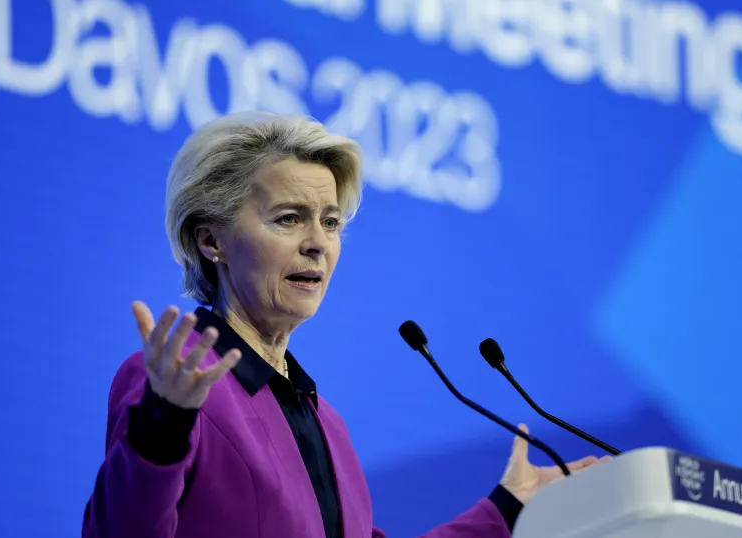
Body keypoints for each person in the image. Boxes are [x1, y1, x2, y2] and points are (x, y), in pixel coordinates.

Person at [81, 112, 603, 538]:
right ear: (210, 240)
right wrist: (162, 425)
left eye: (330, 221)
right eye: (288, 218)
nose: (318, 242)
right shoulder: (173, 385)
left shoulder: (325, 421)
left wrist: (506, 510)